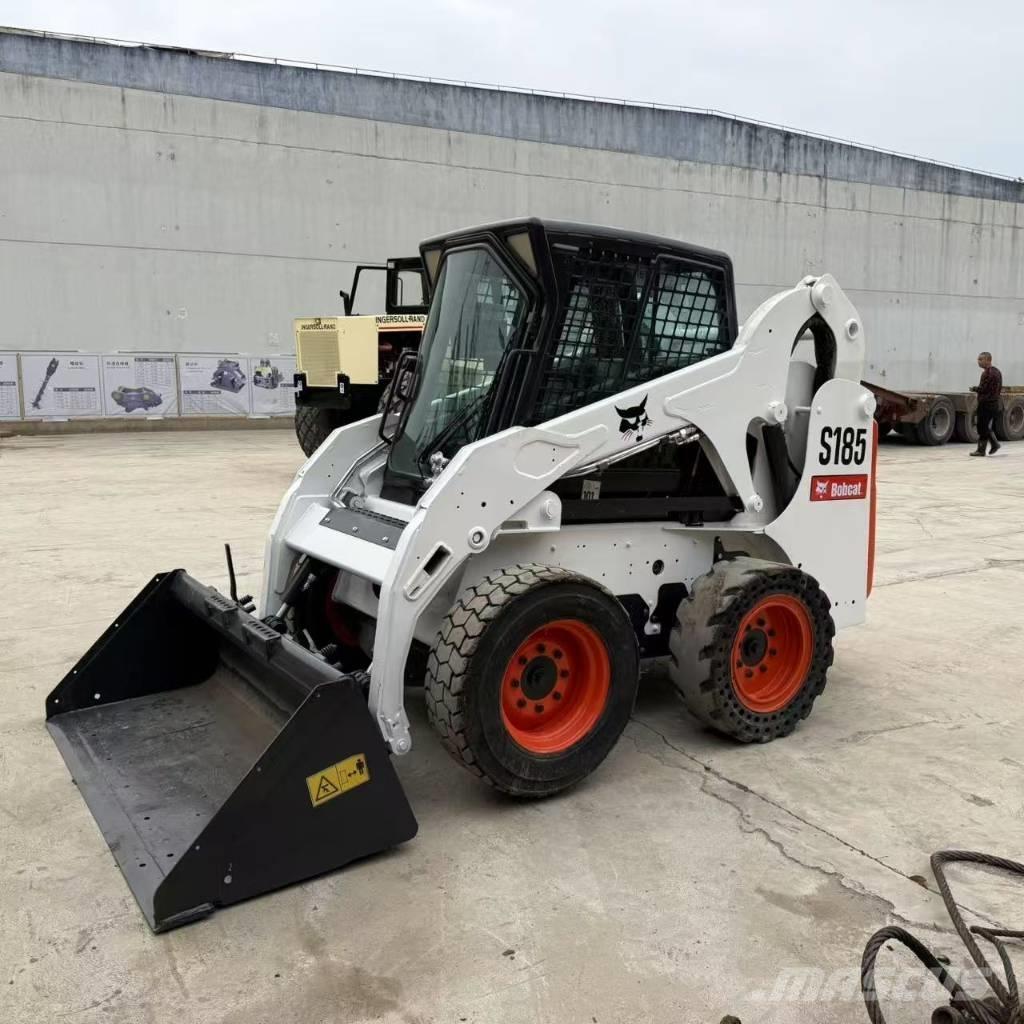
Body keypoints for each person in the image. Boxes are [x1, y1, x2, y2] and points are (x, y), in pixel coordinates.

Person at [970, 351, 1003, 456]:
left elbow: (984, 389)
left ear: (988, 360)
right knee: (983, 426)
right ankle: (991, 445)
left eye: (981, 359)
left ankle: (984, 449)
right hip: (994, 403)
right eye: (978, 359)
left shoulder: (988, 373)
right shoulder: (997, 371)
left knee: (981, 427)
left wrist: (974, 388)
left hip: (986, 404)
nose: (978, 361)